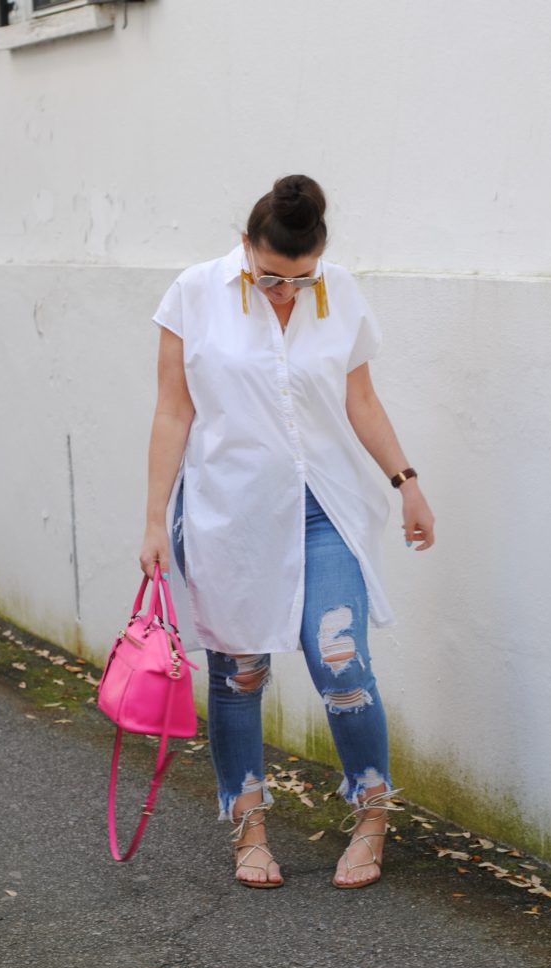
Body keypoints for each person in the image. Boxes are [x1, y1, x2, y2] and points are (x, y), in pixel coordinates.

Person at [140, 174, 435, 890]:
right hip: (230, 517)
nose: (284, 292)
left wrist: (406, 482)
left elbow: (358, 397)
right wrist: (153, 520)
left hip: (323, 510)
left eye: (299, 280)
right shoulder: (193, 292)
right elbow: (173, 412)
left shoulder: (338, 292)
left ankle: (370, 819)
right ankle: (249, 832)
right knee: (239, 676)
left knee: (342, 667)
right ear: (245, 245)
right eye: (269, 276)